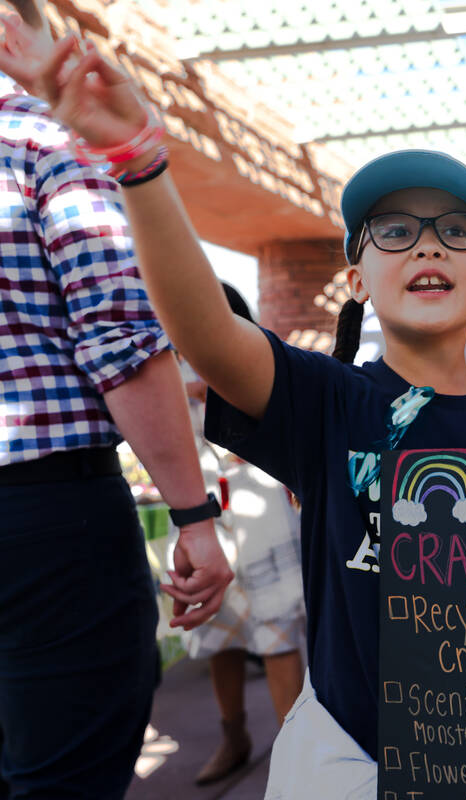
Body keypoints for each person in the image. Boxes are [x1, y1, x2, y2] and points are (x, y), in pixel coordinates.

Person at [12, 32, 466, 797]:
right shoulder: (333, 403)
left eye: (456, 230)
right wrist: (140, 165)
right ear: (356, 279)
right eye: (395, 231)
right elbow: (207, 335)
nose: (427, 247)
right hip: (364, 761)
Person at [0, 5, 231, 798]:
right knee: (63, 775)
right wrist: (194, 514)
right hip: (41, 523)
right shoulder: (46, 137)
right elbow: (119, 340)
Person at [176, 284, 306, 785]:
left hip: (260, 507)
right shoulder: (171, 362)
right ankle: (235, 737)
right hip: (202, 508)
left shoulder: (259, 358)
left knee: (278, 630)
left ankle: (296, 757)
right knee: (218, 630)